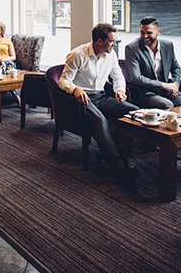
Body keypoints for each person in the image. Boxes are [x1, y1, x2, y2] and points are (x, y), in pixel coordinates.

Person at [58, 22, 139, 183]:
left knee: (133, 112)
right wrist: (75, 89)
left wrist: (120, 90)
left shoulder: (111, 55)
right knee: (100, 121)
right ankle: (119, 169)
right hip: (81, 100)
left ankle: (111, 153)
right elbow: (63, 81)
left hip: (101, 96)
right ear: (99, 41)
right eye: (112, 41)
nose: (114, 44)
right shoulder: (78, 55)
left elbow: (118, 76)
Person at [124, 17, 181, 109]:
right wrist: (163, 85)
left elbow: (176, 68)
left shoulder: (167, 45)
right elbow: (136, 78)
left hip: (167, 91)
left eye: (149, 33)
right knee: (167, 105)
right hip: (146, 93)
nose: (145, 36)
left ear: (158, 31)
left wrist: (175, 84)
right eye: (142, 33)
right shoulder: (132, 48)